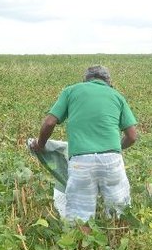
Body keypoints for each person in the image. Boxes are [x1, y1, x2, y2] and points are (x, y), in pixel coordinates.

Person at [30, 65, 138, 222]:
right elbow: (132, 136)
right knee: (119, 212)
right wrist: (113, 149)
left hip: (81, 162)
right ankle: (116, 240)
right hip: (112, 161)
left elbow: (49, 123)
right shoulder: (117, 96)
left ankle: (82, 244)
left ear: (85, 80)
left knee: (80, 217)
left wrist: (40, 145)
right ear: (109, 82)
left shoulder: (71, 91)